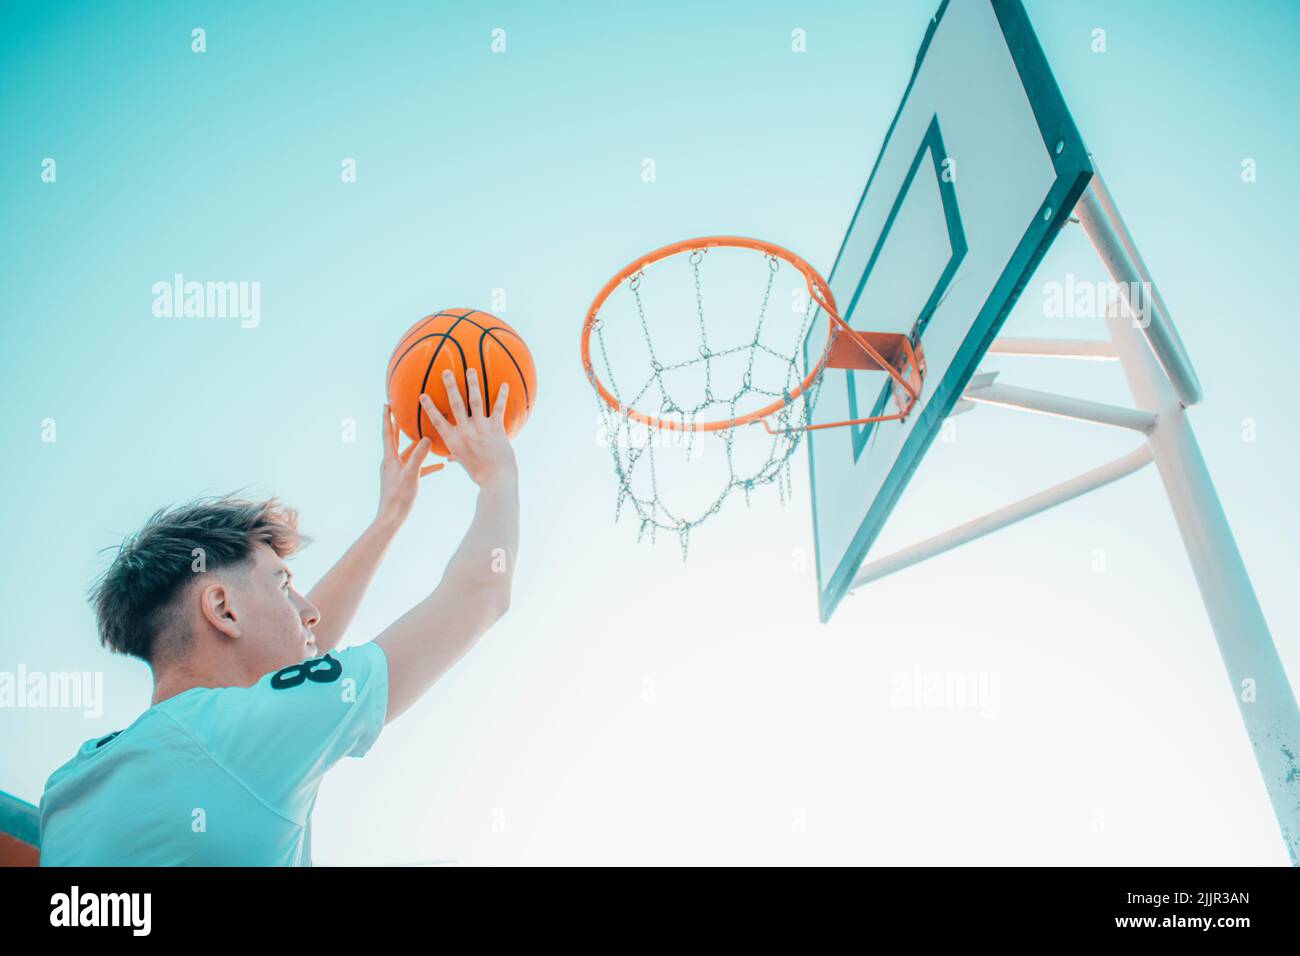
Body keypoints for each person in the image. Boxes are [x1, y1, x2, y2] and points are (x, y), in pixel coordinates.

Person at [39, 370, 518, 865]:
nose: (310, 612)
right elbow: (481, 594)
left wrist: (388, 519)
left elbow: (296, 655)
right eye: (284, 585)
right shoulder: (243, 738)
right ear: (223, 610)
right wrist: (498, 476)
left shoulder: (71, 784)